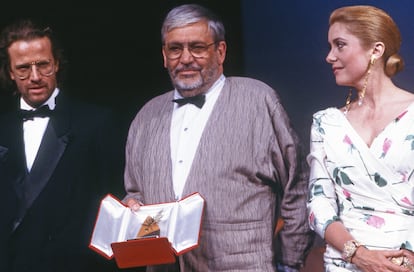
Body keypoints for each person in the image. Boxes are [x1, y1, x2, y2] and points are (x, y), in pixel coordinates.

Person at [122, 3, 313, 272]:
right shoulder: (146, 116)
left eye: (197, 47)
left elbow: (298, 185)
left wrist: (290, 262)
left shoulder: (258, 100)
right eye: (175, 49)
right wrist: (132, 206)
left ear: (220, 51)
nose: (186, 58)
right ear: (164, 56)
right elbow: (135, 192)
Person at [0, 18, 126, 271]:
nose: (35, 77)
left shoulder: (97, 123)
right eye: (23, 68)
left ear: (56, 63)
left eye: (43, 65)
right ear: (10, 72)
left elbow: (115, 204)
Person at [307, 5, 414, 272]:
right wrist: (359, 255)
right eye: (330, 46)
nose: (329, 57)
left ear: (375, 50)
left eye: (340, 45)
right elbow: (318, 203)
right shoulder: (326, 123)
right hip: (344, 263)